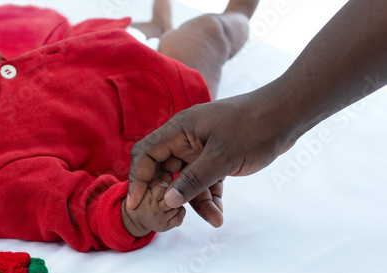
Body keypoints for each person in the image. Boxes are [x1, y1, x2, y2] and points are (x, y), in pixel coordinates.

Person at [0, 0, 258, 251]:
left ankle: (158, 23)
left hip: (109, 53)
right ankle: (236, 17)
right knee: (207, 33)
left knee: (147, 33)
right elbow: (78, 208)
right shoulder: (1, 187)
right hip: (163, 102)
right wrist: (131, 216)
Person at [126, 0, 387, 228]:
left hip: (101, 49)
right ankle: (232, 13)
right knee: (198, 45)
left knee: (154, 46)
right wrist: (134, 219)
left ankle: (160, 25)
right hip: (153, 105)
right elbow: (91, 209)